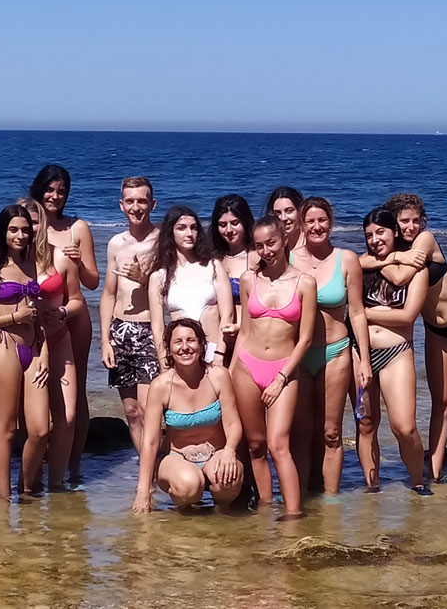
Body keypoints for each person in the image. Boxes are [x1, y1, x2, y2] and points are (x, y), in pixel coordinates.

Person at [367, 194, 447, 483]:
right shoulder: (399, 249)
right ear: (394, 223)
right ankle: (437, 467)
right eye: (404, 221)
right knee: (440, 400)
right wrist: (393, 255)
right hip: (434, 327)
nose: (412, 226)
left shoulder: (425, 240)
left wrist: (388, 257)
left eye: (416, 220)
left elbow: (400, 277)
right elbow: (360, 261)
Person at [231, 215, 315, 519]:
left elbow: (304, 339)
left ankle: (293, 515)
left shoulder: (305, 283)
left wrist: (281, 377)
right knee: (255, 445)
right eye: (259, 245)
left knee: (279, 444)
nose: (266, 250)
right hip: (247, 367)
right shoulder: (248, 279)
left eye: (271, 243)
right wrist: (229, 373)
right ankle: (266, 512)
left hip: (284, 369)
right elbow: (243, 331)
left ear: (284, 240)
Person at [290, 197, 373, 495]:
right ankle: (298, 496)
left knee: (331, 432)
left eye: (322, 220)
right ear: (301, 224)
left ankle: (331, 500)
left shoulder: (346, 259)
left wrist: (363, 360)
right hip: (298, 357)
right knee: (300, 434)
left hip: (336, 353)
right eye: (310, 221)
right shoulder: (288, 259)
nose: (316, 226)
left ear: (331, 221)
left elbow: (358, 312)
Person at [0, 205, 50, 500]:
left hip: (33, 349)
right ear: (2, 231)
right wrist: (13, 319)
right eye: (13, 229)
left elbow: (38, 316)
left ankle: (25, 490)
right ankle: (4, 501)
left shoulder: (32, 263)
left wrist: (44, 354)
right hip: (2, 347)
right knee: (6, 428)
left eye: (25, 230)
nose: (20, 235)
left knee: (40, 430)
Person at [29, 164, 100, 487]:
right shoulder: (25, 222)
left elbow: (92, 281)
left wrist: (79, 261)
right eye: (50, 189)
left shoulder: (77, 228)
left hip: (74, 317)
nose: (55, 196)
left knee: (76, 390)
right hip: (38, 319)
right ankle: (37, 455)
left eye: (61, 191)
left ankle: (73, 463)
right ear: (39, 189)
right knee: (36, 384)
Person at [132, 318, 244, 513]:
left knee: (229, 479)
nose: (185, 347)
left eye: (191, 340)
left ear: (202, 344)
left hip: (215, 453)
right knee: (189, 486)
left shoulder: (218, 376)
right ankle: (185, 519)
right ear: (169, 348)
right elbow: (150, 441)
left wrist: (229, 451)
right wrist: (143, 490)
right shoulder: (160, 386)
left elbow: (233, 424)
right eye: (178, 342)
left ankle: (223, 521)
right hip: (177, 457)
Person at [358, 208, 429, 495]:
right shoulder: (361, 266)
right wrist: (392, 257)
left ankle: (418, 481)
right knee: (365, 424)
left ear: (395, 233)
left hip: (396, 352)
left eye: (381, 232)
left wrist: (364, 313)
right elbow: (350, 263)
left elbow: (407, 316)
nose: (375, 239)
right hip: (360, 352)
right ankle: (371, 486)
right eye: (369, 235)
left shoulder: (416, 270)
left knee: (404, 426)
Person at [18, 197, 86, 491]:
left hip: (59, 340)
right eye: (22, 224)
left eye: (34, 222)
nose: (28, 230)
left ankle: (57, 484)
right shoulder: (10, 261)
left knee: (67, 417)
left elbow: (77, 301)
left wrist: (60, 311)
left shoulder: (60, 258)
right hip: (26, 345)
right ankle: (27, 483)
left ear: (42, 224)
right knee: (32, 425)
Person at [99, 177, 161, 455]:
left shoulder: (162, 240)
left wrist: (143, 278)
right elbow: (109, 294)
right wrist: (104, 340)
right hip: (120, 330)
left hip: (150, 328)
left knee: (150, 410)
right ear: (122, 205)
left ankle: (158, 469)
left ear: (152, 204)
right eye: (131, 201)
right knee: (132, 411)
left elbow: (169, 291)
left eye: (142, 201)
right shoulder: (115, 243)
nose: (136, 207)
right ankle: (145, 471)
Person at [148, 206, 234, 366]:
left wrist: (219, 355)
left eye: (194, 228)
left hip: (213, 353)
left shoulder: (213, 266)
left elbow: (227, 317)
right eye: (182, 228)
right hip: (181, 356)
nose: (189, 233)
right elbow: (158, 327)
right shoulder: (159, 277)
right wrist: (164, 364)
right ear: (170, 233)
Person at [266, 186, 305, 254]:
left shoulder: (312, 243)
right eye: (278, 213)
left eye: (289, 211)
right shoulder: (270, 248)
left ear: (300, 210)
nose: (283, 218)